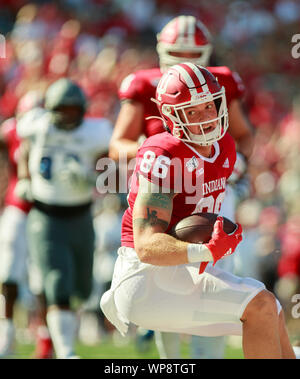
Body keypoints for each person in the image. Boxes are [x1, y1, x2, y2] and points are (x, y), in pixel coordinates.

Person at [100, 63, 295, 359]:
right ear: (171, 117)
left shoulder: (226, 147)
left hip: (185, 273)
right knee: (261, 305)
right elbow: (146, 246)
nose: (206, 117)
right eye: (192, 111)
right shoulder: (163, 154)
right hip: (146, 281)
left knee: (271, 308)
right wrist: (206, 251)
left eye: (209, 105)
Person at [109, 15, 253, 359]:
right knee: (163, 269)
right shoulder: (144, 86)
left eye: (192, 53)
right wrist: (155, 149)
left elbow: (242, 135)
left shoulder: (219, 82)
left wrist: (238, 163)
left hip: (213, 185)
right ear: (161, 50)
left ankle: (207, 353)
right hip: (166, 186)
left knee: (218, 268)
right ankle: (170, 357)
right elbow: (118, 146)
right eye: (175, 52)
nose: (183, 60)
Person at [16, 78, 112, 359]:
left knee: (82, 288)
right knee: (57, 281)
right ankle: (66, 351)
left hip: (82, 216)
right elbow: (23, 147)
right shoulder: (38, 125)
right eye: (62, 109)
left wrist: (94, 177)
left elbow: (111, 161)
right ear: (51, 109)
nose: (67, 115)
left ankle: (63, 338)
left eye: (72, 110)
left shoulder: (97, 131)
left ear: (82, 109)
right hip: (46, 215)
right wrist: (24, 176)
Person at [0, 91, 53, 358]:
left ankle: (45, 339)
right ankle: (6, 335)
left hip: (46, 211)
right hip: (17, 209)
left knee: (42, 279)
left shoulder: (55, 135)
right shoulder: (10, 131)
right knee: (8, 272)